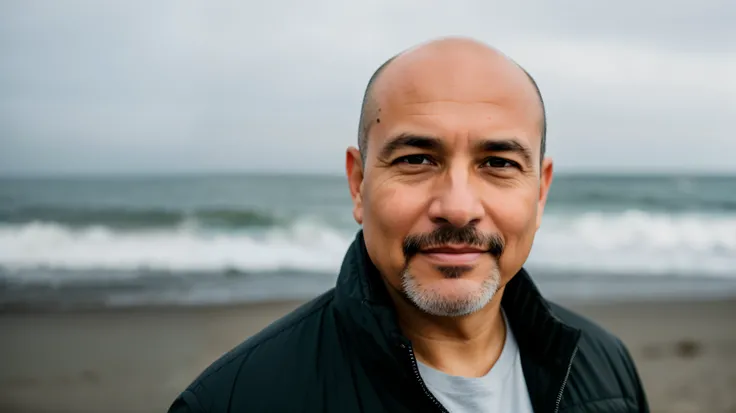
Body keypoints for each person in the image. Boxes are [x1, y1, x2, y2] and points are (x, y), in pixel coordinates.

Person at [168, 37, 650, 413]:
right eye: (417, 158)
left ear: (540, 192)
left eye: (498, 163)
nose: (458, 208)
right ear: (358, 183)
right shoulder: (233, 401)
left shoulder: (606, 369)